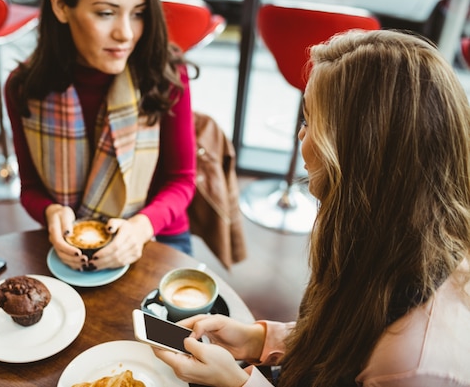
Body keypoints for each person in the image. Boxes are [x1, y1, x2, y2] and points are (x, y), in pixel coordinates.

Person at [153, 29, 470, 386]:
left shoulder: (414, 363)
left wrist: (240, 384)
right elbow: (350, 341)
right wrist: (259, 339)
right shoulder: (380, 236)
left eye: (310, 121)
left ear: (360, 153)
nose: (301, 138)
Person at [4, 0, 197, 272]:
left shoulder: (164, 75)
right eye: (106, 13)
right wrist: (50, 212)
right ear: (60, 5)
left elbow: (181, 180)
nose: (126, 34)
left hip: (157, 234)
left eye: (138, 14)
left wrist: (141, 228)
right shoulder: (24, 88)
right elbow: (29, 187)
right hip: (70, 244)